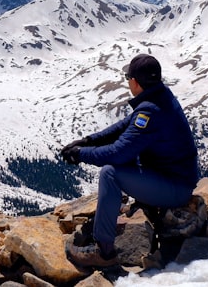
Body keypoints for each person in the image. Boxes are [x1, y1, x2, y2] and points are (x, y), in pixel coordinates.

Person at [60, 53, 200, 267]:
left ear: (135, 82)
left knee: (110, 173)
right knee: (123, 161)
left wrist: (80, 154)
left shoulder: (151, 111)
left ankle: (103, 251)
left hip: (175, 189)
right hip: (173, 178)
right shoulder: (159, 97)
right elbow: (125, 125)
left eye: (127, 77)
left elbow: (118, 153)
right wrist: (87, 141)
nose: (127, 81)